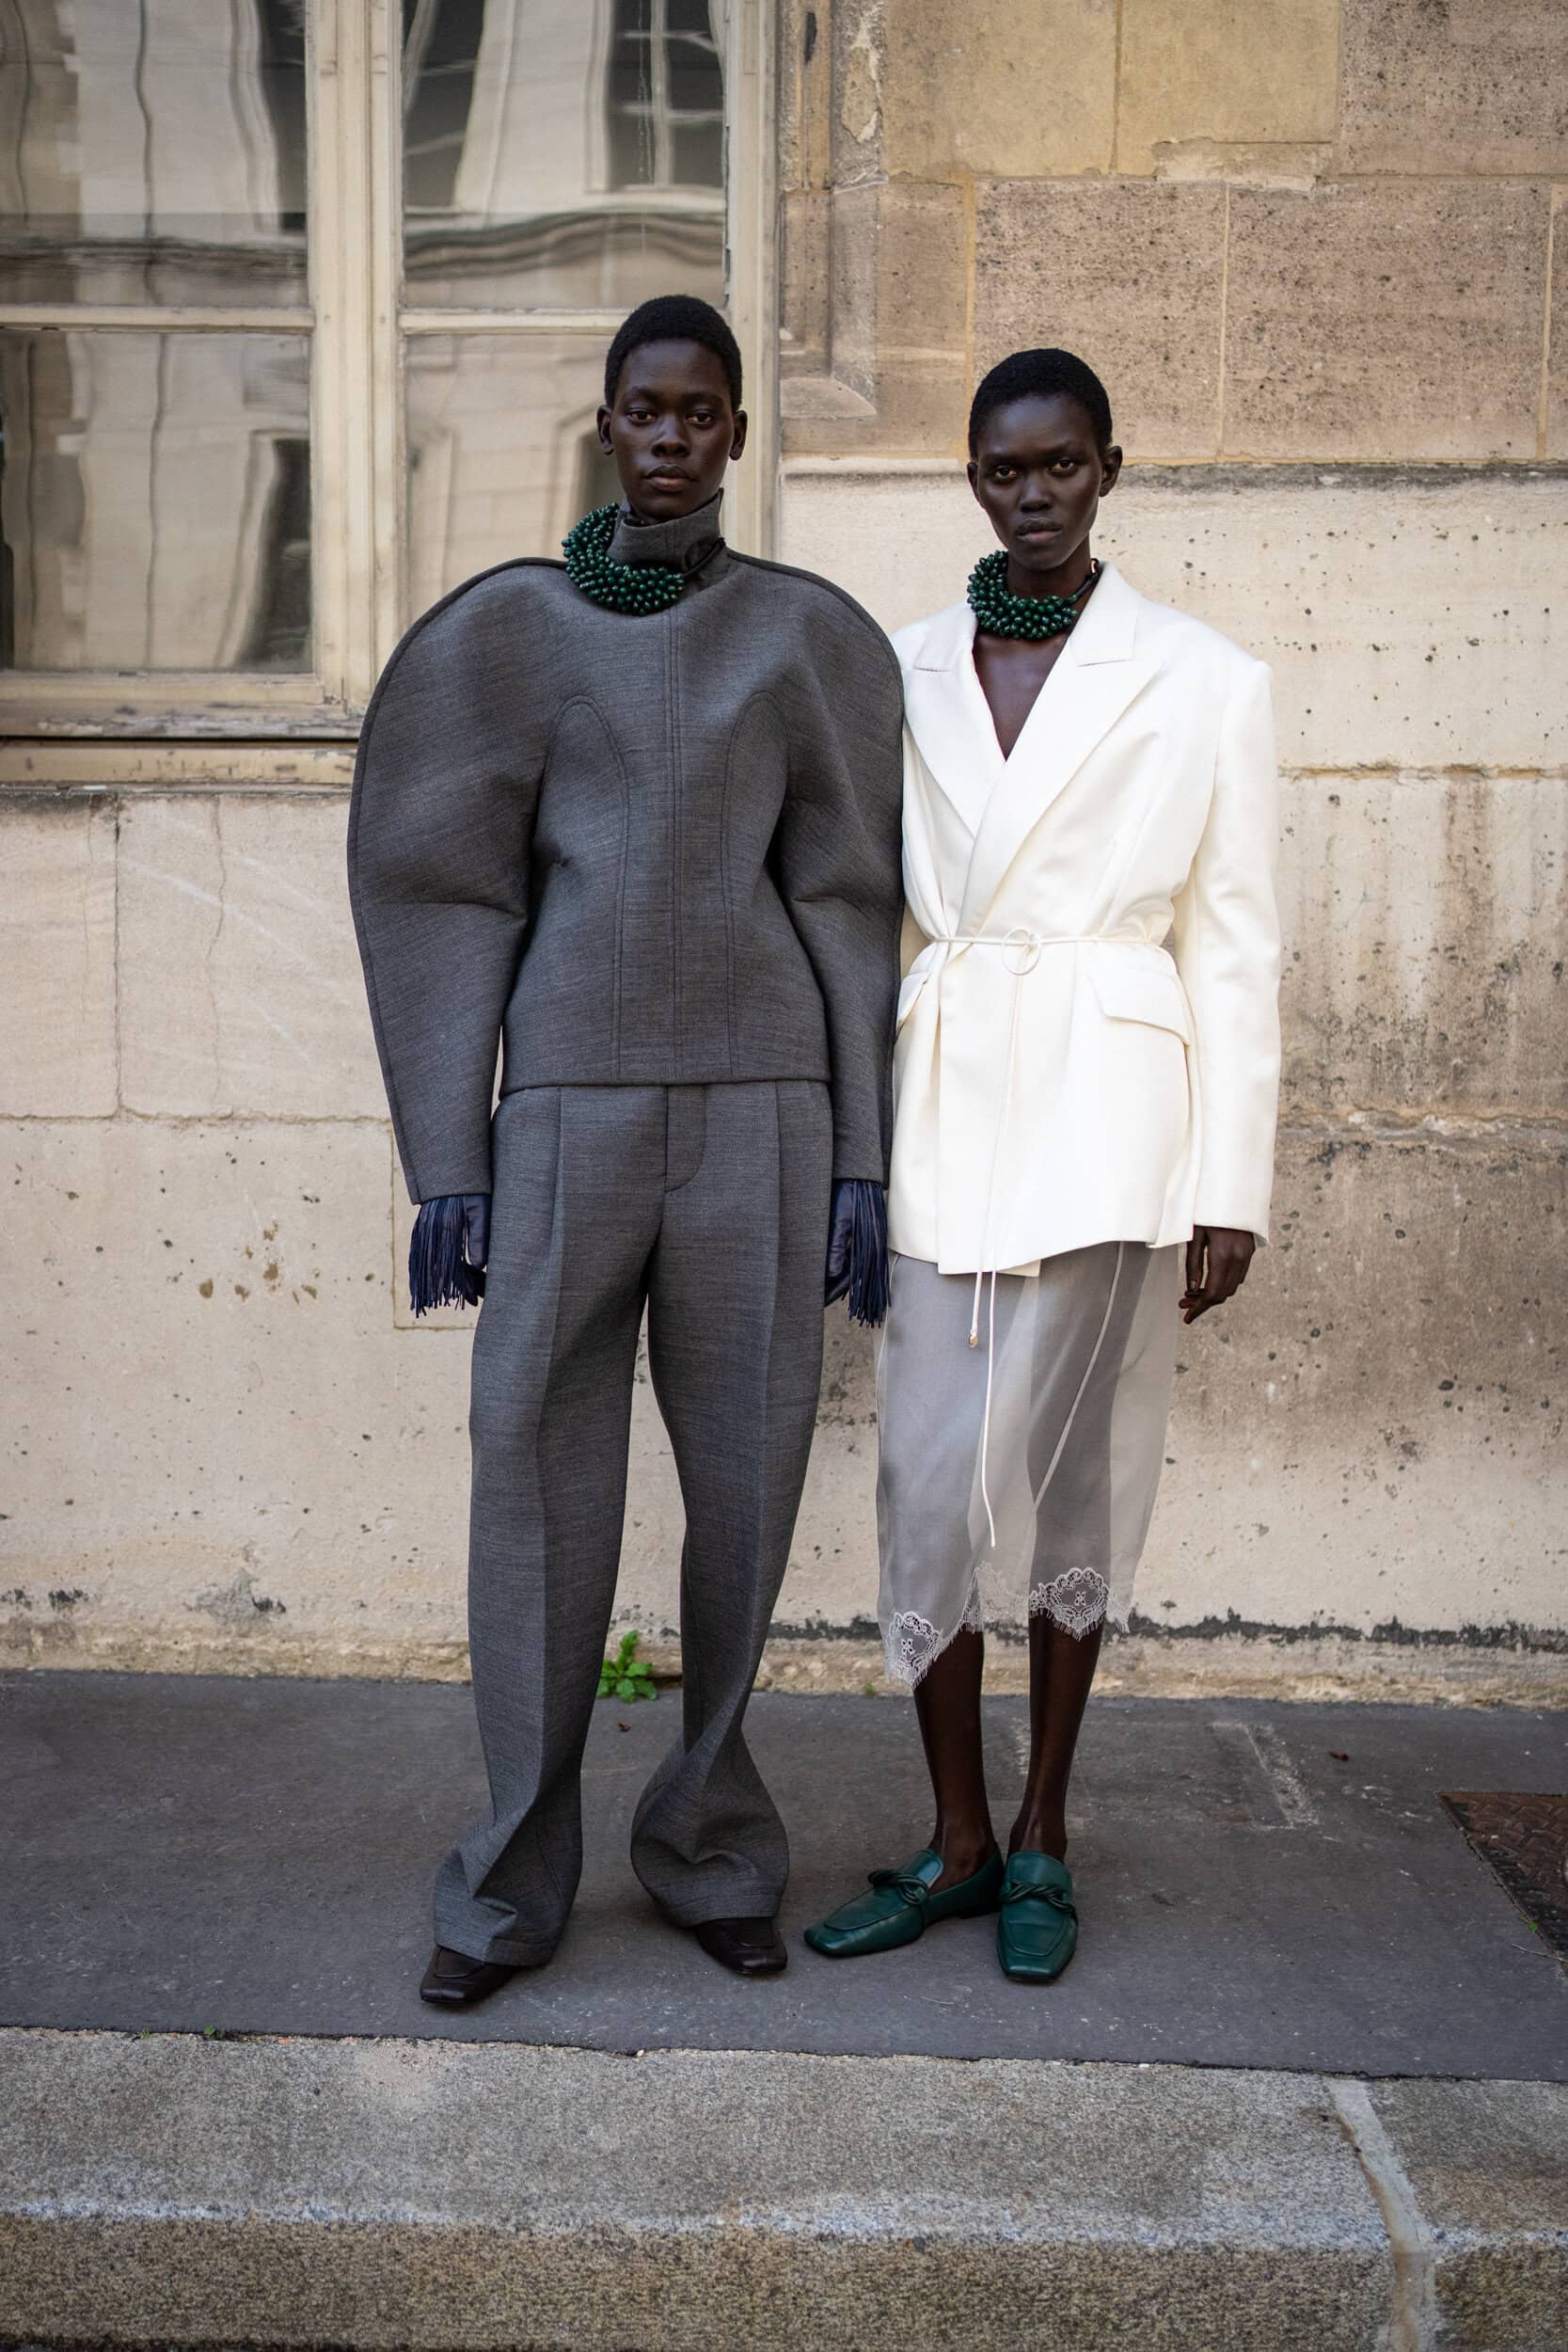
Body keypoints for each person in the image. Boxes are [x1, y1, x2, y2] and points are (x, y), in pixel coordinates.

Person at [349, 294, 904, 2005]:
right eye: (645, 410)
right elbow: (441, 884)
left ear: (738, 436)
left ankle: (716, 1847)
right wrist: (453, 1155)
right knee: (531, 1481)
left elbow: (849, 894)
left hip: (761, 1111)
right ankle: (508, 1882)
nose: (672, 436)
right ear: (609, 426)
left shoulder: (803, 637)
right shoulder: (506, 634)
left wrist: (860, 1158)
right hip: (571, 1116)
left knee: (745, 1493)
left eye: (704, 413)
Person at [805, 347, 1281, 1983]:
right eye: (1006, 469)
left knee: (1082, 1477)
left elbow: (1236, 945)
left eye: (1063, 465)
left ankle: (1047, 1838)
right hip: (945, 1089)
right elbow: (860, 909)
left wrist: (1234, 1183)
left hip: (1112, 1108)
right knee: (927, 1478)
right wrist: (846, 1143)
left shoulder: (1205, 677)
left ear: (1109, 470)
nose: (1035, 495)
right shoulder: (900, 667)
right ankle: (955, 1834)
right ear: (971, 477)